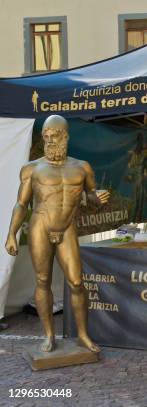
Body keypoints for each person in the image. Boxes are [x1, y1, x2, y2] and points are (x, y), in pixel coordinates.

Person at [4, 115, 108, 353]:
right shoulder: (32, 169)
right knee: (42, 281)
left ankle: (82, 335)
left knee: (77, 281)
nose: (50, 140)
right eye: (46, 136)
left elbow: (91, 197)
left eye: (55, 135)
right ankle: (49, 335)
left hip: (68, 227)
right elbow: (21, 205)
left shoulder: (82, 167)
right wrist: (12, 234)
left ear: (66, 136)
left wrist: (97, 197)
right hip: (41, 225)